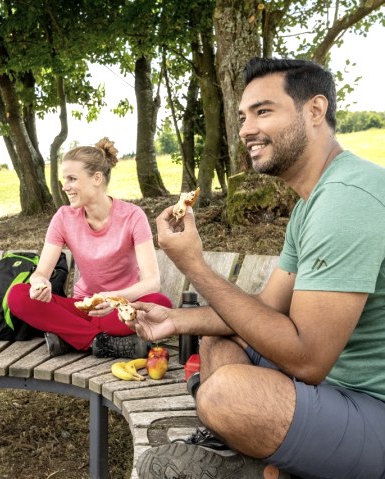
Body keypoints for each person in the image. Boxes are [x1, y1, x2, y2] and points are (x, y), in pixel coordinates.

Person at [129, 58, 385, 479]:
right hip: (334, 389)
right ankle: (262, 462)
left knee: (226, 395)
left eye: (263, 111)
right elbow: (265, 308)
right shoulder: (313, 202)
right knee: (217, 338)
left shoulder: (346, 201)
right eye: (243, 116)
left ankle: (254, 466)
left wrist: (193, 264)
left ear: (315, 111)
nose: (246, 129)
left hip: (371, 406)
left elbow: (307, 359)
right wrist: (176, 321)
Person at [8, 137, 172, 359]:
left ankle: (70, 338)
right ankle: (100, 342)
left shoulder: (133, 216)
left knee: (161, 303)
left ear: (97, 178)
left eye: (72, 179)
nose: (65, 187)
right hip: (82, 309)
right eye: (64, 179)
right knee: (18, 295)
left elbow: (152, 281)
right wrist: (39, 283)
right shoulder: (63, 217)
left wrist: (112, 299)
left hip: (121, 308)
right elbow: (41, 272)